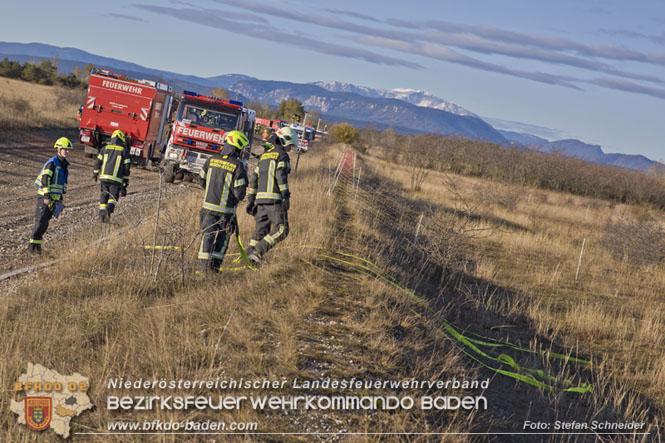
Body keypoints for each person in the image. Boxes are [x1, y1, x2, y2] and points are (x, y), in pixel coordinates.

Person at [197, 130, 249, 273]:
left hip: (207, 210)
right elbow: (239, 194)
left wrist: (212, 191)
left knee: (206, 239)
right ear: (237, 148)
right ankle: (214, 270)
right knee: (222, 241)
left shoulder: (211, 160)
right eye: (242, 149)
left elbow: (201, 180)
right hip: (225, 214)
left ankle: (201, 271)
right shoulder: (238, 166)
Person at [245, 126, 297, 264]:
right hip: (274, 200)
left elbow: (253, 179)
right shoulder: (282, 155)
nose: (290, 149)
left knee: (261, 230)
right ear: (285, 141)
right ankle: (258, 251)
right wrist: (286, 196)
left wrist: (250, 200)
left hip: (260, 201)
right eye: (290, 145)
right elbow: (281, 176)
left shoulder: (264, 156)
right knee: (282, 229)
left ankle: (250, 258)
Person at [29, 137, 72, 254]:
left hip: (53, 200)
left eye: (68, 150)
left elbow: (61, 184)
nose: (68, 152)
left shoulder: (64, 165)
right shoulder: (52, 163)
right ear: (59, 149)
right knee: (40, 222)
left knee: (44, 224)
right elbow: (45, 179)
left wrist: (60, 200)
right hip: (45, 198)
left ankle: (37, 248)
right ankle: (32, 248)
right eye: (65, 149)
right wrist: (46, 196)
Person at [92, 129, 131, 223]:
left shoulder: (104, 148)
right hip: (116, 180)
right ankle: (108, 211)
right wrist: (125, 182)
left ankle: (101, 216)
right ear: (122, 139)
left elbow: (97, 162)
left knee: (104, 195)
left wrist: (95, 174)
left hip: (104, 178)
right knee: (113, 197)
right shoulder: (124, 151)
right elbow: (126, 168)